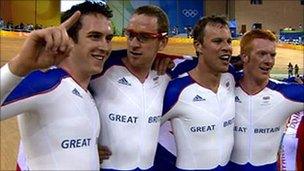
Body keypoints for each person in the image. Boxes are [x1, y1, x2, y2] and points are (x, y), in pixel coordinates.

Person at [1, 1, 113, 170]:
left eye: (108, 38)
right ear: (69, 40)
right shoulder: (46, 82)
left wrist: (85, 153)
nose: (104, 46)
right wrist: (20, 65)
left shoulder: (86, 90)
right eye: (95, 36)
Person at [89, 5, 171, 171]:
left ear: (162, 42)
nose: (133, 44)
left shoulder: (169, 72)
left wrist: (168, 59)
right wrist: (79, 150)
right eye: (130, 34)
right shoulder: (101, 66)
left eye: (143, 37)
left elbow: (211, 63)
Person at [156, 15, 235, 170]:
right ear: (198, 46)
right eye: (217, 41)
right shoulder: (177, 90)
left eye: (229, 41)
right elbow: (142, 127)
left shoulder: (231, 78)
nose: (227, 47)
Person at [229, 29, 304, 171]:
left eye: (272, 55)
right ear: (244, 56)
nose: (269, 61)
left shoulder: (286, 93)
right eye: (262, 54)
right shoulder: (224, 87)